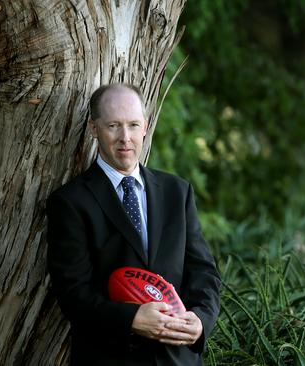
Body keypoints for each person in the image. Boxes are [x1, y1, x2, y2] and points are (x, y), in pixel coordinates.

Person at [46, 83, 221, 366]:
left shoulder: (177, 192)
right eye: (113, 126)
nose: (125, 138)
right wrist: (132, 319)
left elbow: (203, 270)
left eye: (133, 125)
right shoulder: (70, 202)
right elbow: (72, 293)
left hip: (178, 358)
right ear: (94, 128)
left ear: (146, 126)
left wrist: (201, 319)